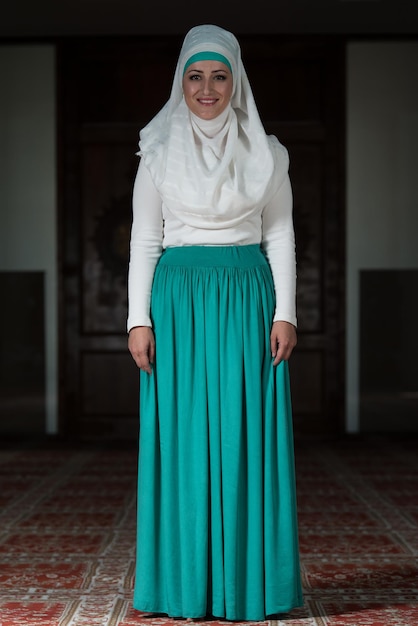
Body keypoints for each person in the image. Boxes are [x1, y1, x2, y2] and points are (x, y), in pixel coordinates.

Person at [127, 24, 303, 621]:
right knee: (183, 437)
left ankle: (248, 586)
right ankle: (184, 586)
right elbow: (144, 241)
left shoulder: (268, 153)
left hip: (248, 298)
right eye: (195, 77)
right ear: (181, 83)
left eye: (219, 76)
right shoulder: (155, 152)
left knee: (242, 433)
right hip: (178, 302)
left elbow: (280, 236)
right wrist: (137, 320)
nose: (207, 88)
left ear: (236, 81)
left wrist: (286, 312)